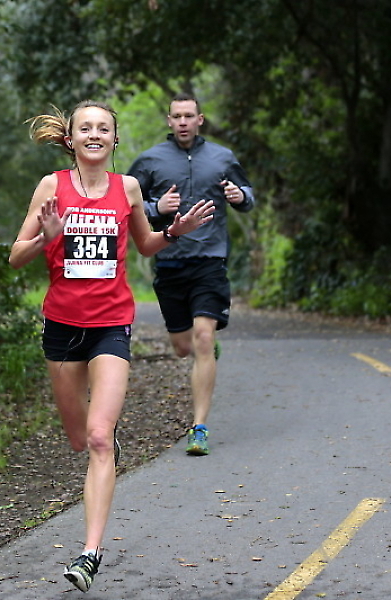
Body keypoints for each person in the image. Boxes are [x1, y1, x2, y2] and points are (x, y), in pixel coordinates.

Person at [8, 100, 214, 593]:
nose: (95, 134)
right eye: (86, 128)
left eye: (104, 128)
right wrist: (46, 238)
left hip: (111, 325)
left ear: (114, 139)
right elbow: (16, 256)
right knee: (79, 439)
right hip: (62, 327)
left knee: (100, 438)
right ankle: (100, 440)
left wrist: (174, 232)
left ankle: (89, 554)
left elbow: (145, 244)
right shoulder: (51, 186)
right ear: (71, 139)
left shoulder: (128, 188)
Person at [127, 92, 255, 457]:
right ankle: (205, 346)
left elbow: (248, 195)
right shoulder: (150, 160)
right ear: (169, 121)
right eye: (177, 116)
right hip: (170, 262)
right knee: (184, 347)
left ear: (200, 120)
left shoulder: (222, 157)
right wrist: (157, 207)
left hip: (210, 261)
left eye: (189, 115)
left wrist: (239, 196)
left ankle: (199, 428)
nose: (183, 122)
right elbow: (126, 203)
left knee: (201, 337)